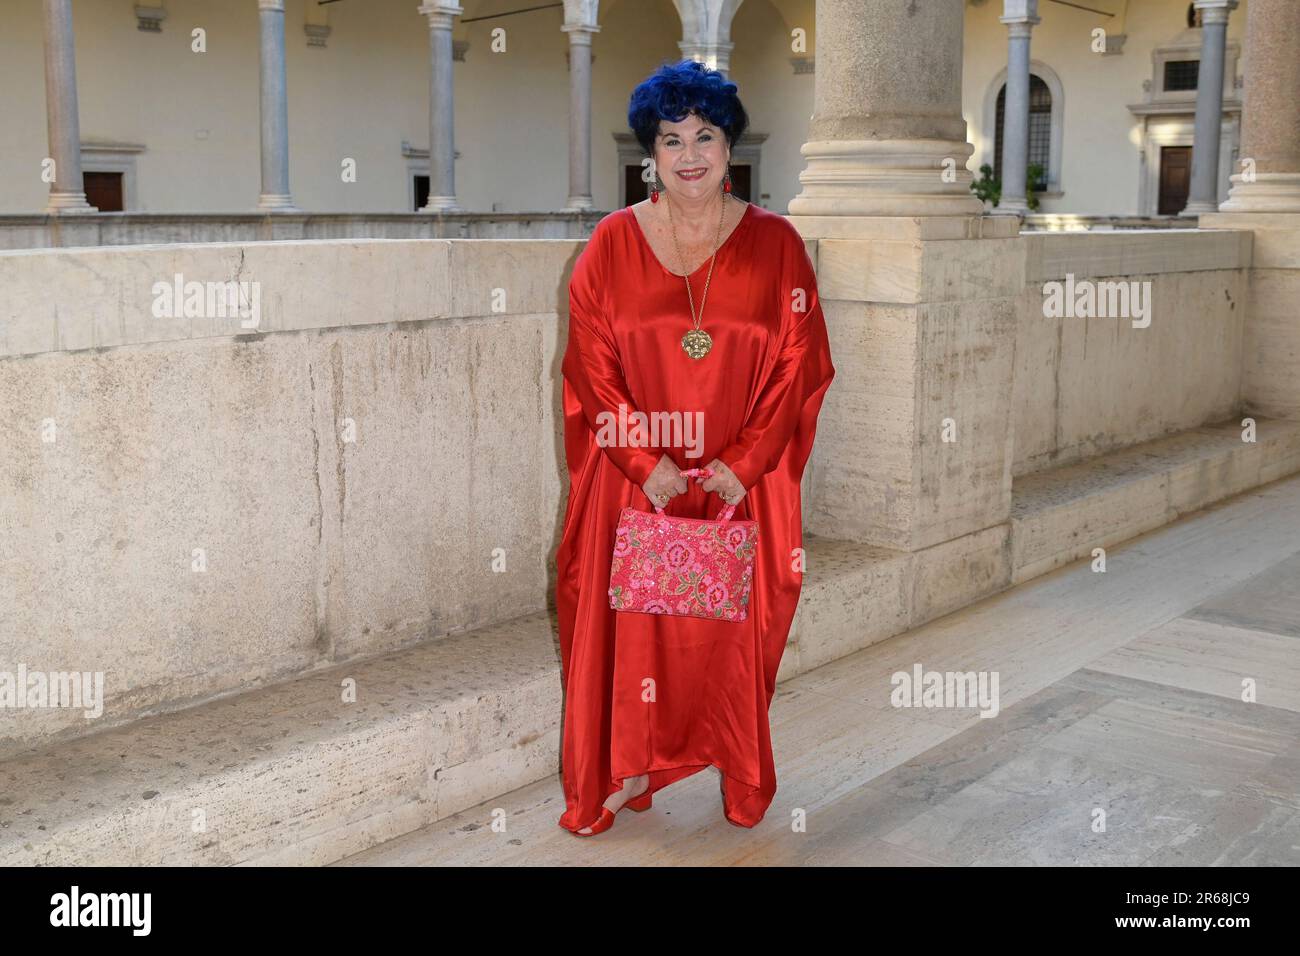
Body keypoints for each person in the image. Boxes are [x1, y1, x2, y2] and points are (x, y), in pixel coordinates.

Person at [554, 59, 836, 836]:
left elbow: (798, 363)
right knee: (634, 631)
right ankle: (628, 765)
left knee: (728, 638)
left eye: (705, 136)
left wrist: (742, 466)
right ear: (650, 151)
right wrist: (648, 466)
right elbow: (591, 367)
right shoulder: (610, 244)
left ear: (729, 145)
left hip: (743, 484)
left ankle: (736, 764)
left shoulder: (779, 245)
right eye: (671, 138)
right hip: (635, 482)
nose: (689, 154)